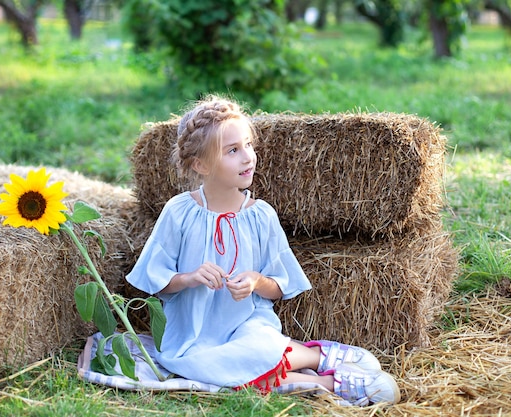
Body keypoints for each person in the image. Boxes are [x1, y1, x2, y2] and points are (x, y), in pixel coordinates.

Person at [126, 95, 400, 406]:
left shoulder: (260, 215)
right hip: (192, 333)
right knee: (204, 367)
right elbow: (154, 277)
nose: (248, 157)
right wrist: (189, 278)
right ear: (200, 164)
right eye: (232, 150)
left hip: (248, 324)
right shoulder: (179, 212)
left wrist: (257, 281)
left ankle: (315, 354)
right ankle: (326, 381)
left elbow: (279, 286)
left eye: (248, 145)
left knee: (258, 349)